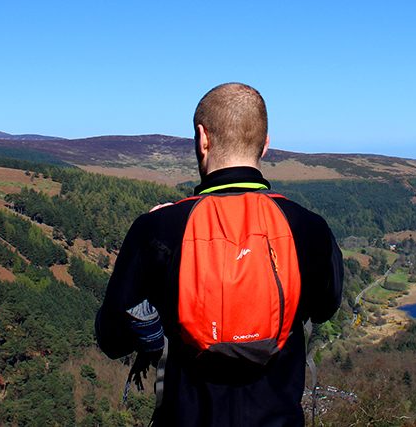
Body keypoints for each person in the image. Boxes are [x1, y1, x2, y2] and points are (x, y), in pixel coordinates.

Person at [96, 82, 343, 426]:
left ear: (202, 138)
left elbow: (112, 337)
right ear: (265, 144)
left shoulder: (158, 229)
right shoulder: (307, 227)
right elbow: (326, 307)